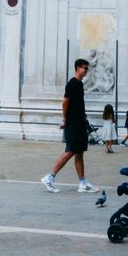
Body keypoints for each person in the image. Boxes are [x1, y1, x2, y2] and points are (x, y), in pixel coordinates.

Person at [41, 58, 95, 193]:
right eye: (84, 68)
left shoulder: (80, 84)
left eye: (87, 68)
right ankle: (50, 177)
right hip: (73, 123)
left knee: (80, 152)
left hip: (80, 122)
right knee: (70, 151)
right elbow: (65, 101)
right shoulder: (72, 84)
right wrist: (64, 119)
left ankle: (82, 183)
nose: (86, 70)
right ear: (78, 68)